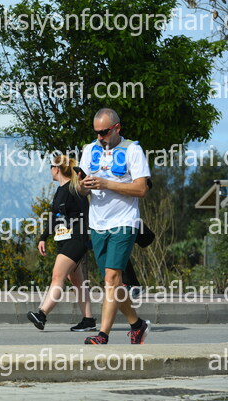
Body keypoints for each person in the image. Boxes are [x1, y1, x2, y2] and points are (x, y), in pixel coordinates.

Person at [79, 108, 152, 345]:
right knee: (114, 283)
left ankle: (103, 335)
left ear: (117, 128)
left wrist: (107, 184)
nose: (100, 137)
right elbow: (80, 188)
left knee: (111, 279)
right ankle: (137, 325)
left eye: (104, 132)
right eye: (97, 132)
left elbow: (141, 189)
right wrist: (83, 186)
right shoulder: (89, 150)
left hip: (124, 222)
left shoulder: (133, 150)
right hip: (97, 223)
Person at [27, 155, 96, 332]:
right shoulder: (60, 191)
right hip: (64, 240)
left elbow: (85, 211)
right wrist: (43, 237)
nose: (50, 170)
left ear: (56, 168)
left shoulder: (74, 188)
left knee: (57, 276)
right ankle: (88, 320)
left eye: (51, 167)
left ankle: (42, 314)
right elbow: (55, 218)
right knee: (77, 281)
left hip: (77, 238)